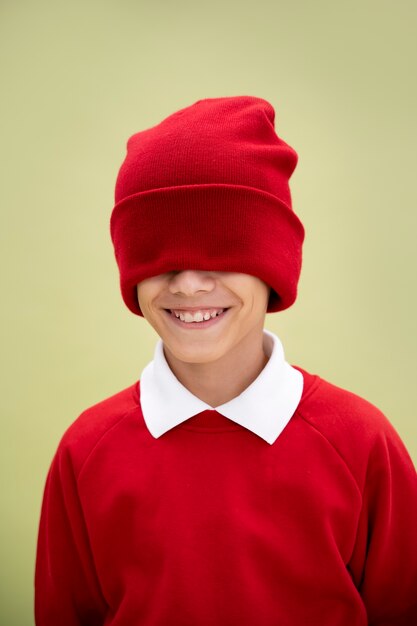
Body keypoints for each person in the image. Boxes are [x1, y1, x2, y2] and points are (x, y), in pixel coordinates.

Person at [34, 95, 417, 625]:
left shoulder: (361, 444)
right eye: (159, 252)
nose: (188, 283)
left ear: (273, 263)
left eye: (221, 245)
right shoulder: (86, 451)